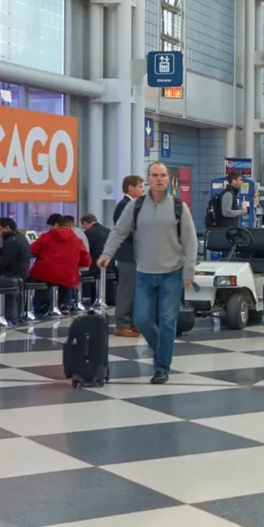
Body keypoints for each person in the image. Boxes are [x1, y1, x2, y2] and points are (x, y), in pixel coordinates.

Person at [98, 161, 198, 384]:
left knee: (167, 320)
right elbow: (118, 231)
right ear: (148, 179)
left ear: (169, 179)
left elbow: (190, 242)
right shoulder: (135, 206)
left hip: (172, 273)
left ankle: (161, 367)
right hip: (143, 272)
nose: (159, 179)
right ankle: (162, 350)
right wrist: (107, 253)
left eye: (163, 175)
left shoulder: (179, 208)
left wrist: (188, 272)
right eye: (154, 175)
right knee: (142, 320)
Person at [29, 214, 91, 315]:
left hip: (46, 273)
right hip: (68, 275)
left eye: (50, 226)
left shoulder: (45, 237)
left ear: (56, 225)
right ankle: (64, 305)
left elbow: (31, 250)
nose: (49, 229)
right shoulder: (77, 240)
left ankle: (42, 305)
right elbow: (86, 261)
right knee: (67, 277)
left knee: (41, 277)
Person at [110, 175, 144, 337]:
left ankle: (131, 322)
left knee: (135, 290)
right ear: (130, 188)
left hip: (137, 255)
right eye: (139, 186)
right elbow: (125, 229)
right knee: (126, 290)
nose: (142, 190)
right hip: (127, 255)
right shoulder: (123, 206)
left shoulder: (134, 205)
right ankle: (122, 324)